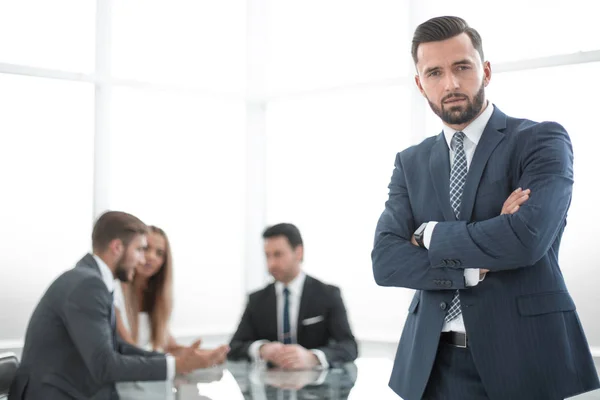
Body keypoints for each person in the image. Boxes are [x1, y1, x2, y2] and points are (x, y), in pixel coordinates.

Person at [371, 16, 599, 400]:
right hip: (431, 366)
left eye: (462, 67)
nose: (451, 84)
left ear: (486, 70)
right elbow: (386, 261)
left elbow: (526, 240)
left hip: (524, 357)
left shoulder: (540, 141)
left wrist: (428, 235)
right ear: (419, 84)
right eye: (435, 73)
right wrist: (476, 263)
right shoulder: (410, 162)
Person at [9, 211, 229, 399]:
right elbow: (105, 365)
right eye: (140, 250)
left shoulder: (93, 281)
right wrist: (177, 365)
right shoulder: (88, 284)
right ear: (117, 247)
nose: (143, 260)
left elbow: (118, 347)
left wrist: (176, 360)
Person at [228, 223, 358, 369]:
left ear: (298, 252)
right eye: (267, 256)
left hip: (315, 386)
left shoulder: (328, 294)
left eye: (278, 254)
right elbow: (234, 347)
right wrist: (261, 349)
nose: (271, 264)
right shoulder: (257, 300)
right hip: (271, 385)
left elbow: (349, 347)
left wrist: (313, 357)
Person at [113, 225, 185, 354]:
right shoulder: (115, 290)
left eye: (160, 253)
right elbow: (131, 350)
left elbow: (170, 345)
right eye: (145, 248)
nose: (152, 257)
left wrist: (204, 355)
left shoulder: (157, 298)